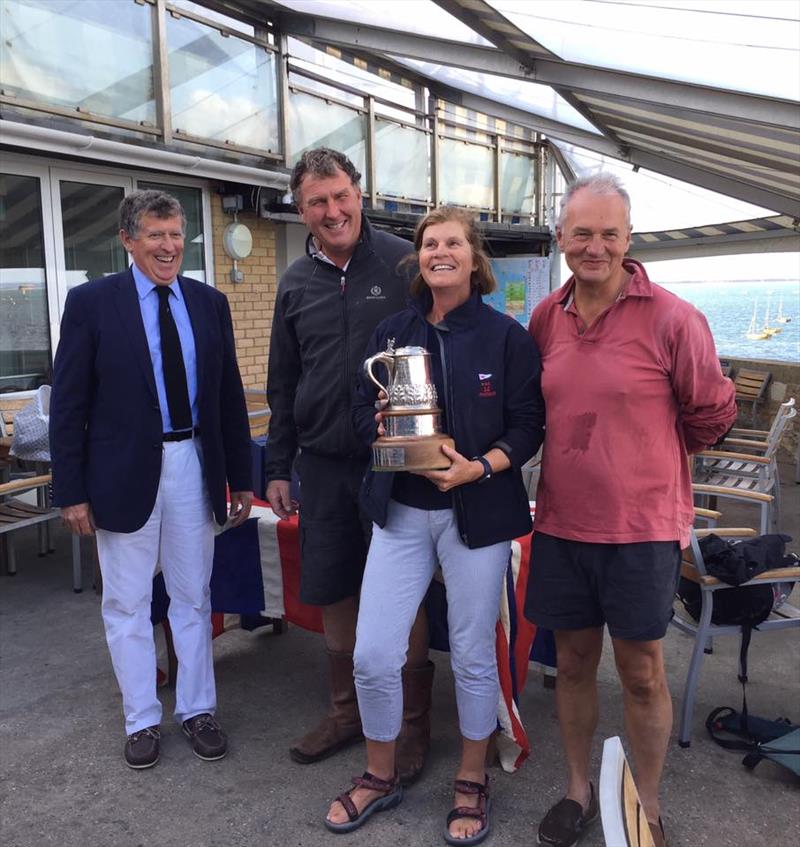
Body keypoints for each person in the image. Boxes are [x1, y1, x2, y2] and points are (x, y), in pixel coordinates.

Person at [524, 173, 737, 847]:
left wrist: (649, 461)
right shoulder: (544, 318)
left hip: (643, 530)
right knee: (575, 660)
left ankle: (646, 802)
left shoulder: (674, 317)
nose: (595, 246)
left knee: (642, 669)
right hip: (560, 522)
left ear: (628, 239)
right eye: (581, 232)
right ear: (562, 237)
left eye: (608, 234)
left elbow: (712, 413)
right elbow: (537, 409)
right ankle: (578, 789)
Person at [324, 207, 545, 844]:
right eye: (428, 243)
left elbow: (529, 426)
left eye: (452, 243)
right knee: (372, 653)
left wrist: (477, 467)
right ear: (417, 259)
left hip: (477, 516)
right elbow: (371, 421)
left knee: (474, 656)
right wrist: (392, 432)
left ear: (475, 260)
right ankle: (379, 774)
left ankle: (472, 780)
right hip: (400, 513)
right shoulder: (393, 332)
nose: (439, 252)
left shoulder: (507, 338)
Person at [50, 189, 253, 769]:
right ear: (128, 241)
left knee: (194, 597)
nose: (169, 246)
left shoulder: (210, 303)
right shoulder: (91, 303)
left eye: (175, 235)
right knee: (127, 601)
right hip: (120, 473)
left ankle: (197, 710)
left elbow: (228, 398)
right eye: (155, 235)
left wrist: (240, 476)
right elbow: (69, 403)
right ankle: (141, 719)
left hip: (193, 463)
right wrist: (71, 490)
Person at [266, 148, 433, 780]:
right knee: (334, 586)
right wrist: (278, 466)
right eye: (317, 201)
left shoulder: (403, 263)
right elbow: (283, 382)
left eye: (340, 195)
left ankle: (413, 725)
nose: (332, 211)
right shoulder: (292, 283)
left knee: (403, 594)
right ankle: (348, 712)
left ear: (360, 193)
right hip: (322, 465)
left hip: (395, 464)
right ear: (300, 208)